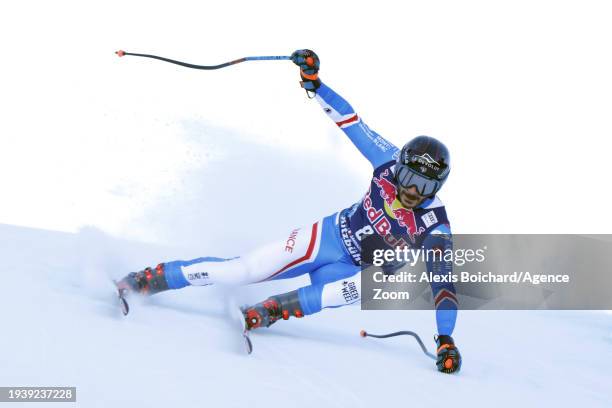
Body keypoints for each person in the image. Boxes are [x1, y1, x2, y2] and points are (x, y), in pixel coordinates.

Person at [116, 49, 461, 373]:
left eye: (426, 187)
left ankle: (268, 311)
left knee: (357, 290)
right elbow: (351, 121)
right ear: (399, 165)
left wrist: (445, 338)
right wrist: (314, 82)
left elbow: (443, 284)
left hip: (349, 270)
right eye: (409, 178)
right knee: (240, 271)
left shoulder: (436, 226)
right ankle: (150, 279)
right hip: (326, 238)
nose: (414, 191)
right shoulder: (385, 160)